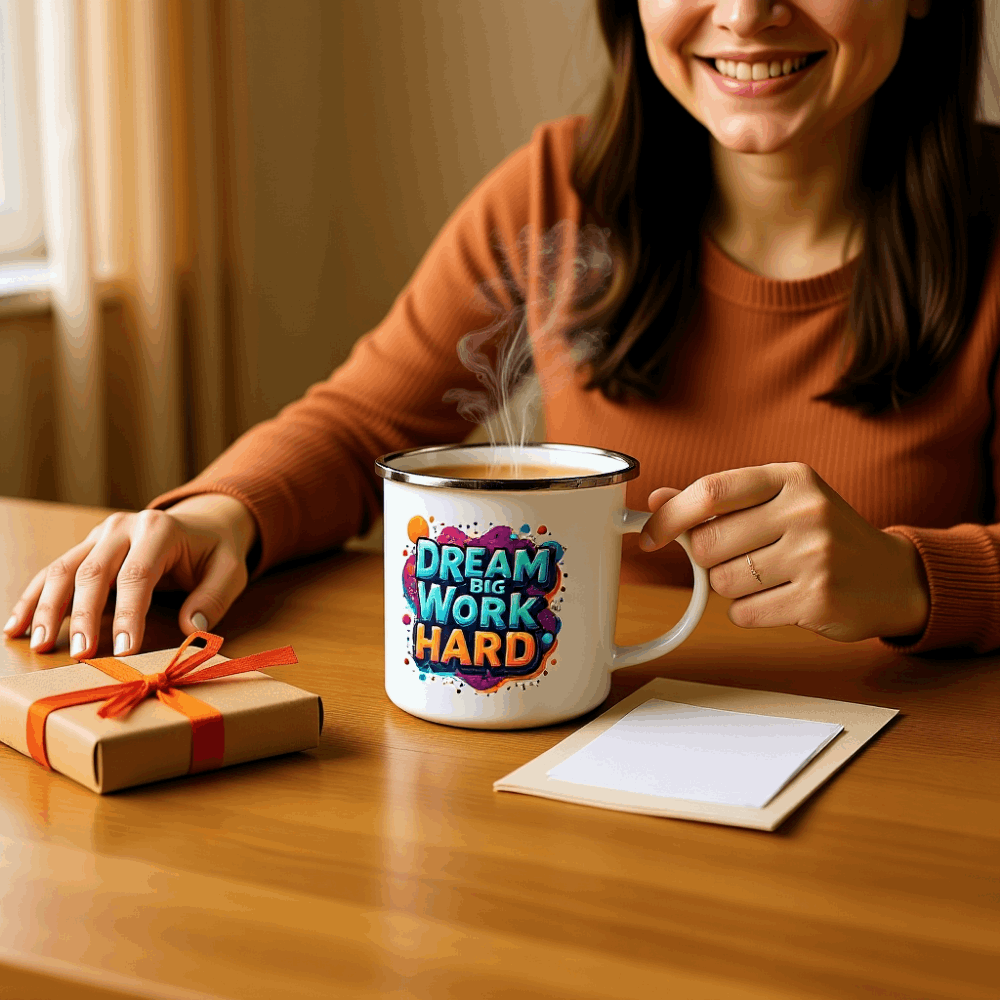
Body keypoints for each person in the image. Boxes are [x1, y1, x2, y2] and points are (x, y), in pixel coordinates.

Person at [6, 0, 998, 660]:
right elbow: (362, 429)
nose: (743, 12)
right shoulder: (556, 189)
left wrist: (914, 578)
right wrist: (223, 514)